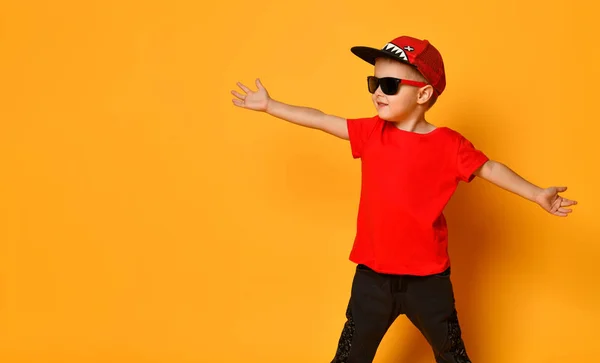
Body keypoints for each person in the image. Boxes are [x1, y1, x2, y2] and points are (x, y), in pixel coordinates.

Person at [230, 35, 577, 363]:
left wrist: (536, 194)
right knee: (350, 356)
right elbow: (321, 119)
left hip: (428, 282)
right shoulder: (371, 133)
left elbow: (491, 169)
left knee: (452, 356)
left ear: (423, 94)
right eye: (374, 83)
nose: (377, 93)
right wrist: (271, 106)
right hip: (372, 279)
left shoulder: (449, 144)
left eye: (389, 85)